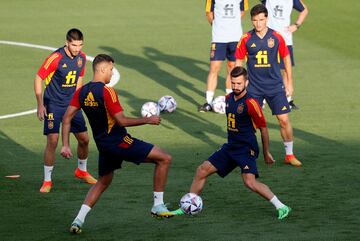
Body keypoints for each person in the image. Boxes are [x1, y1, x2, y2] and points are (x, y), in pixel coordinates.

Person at [61, 54, 175, 234]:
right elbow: (121, 121)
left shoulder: (81, 92)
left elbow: (67, 118)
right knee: (164, 158)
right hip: (120, 141)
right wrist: (148, 120)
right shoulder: (107, 91)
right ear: (103, 69)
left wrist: (66, 144)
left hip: (103, 146)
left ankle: (78, 220)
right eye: (111, 69)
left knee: (103, 181)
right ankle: (158, 205)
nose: (112, 73)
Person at [173, 66, 291, 219]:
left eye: (239, 84)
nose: (236, 86)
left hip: (246, 149)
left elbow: (263, 129)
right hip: (231, 147)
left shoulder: (251, 103)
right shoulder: (228, 99)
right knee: (202, 170)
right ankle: (187, 206)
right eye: (233, 83)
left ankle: (282, 206)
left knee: (250, 182)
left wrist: (266, 152)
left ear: (246, 83)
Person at [235, 4, 302, 167]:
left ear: (267, 19)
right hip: (254, 88)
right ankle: (249, 152)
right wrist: (241, 82)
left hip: (275, 86)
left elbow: (286, 58)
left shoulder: (277, 37)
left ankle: (289, 154)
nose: (258, 23)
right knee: (250, 122)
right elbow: (238, 61)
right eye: (255, 20)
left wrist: (289, 82)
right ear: (251, 20)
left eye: (261, 20)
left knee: (284, 120)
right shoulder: (245, 38)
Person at [34, 28, 97, 193]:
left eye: (80, 45)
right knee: (53, 141)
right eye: (74, 45)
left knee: (84, 139)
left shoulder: (82, 58)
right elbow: (39, 77)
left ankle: (81, 171)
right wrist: (40, 104)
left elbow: (79, 79)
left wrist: (79, 100)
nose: (77, 49)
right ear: (67, 43)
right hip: (53, 103)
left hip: (71, 104)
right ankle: (47, 181)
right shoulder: (55, 58)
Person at [199, 0, 248, 112]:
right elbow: (209, 12)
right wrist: (216, 25)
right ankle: (209, 102)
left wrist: (232, 23)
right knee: (214, 68)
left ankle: (231, 100)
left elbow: (243, 10)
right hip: (219, 37)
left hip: (235, 37)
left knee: (232, 68)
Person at [261, 0, 308, 109]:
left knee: (286, 70)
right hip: (268, 40)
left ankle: (288, 99)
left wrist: (296, 25)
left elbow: (304, 10)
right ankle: (262, 98)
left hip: (285, 40)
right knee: (264, 68)